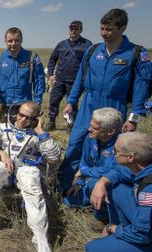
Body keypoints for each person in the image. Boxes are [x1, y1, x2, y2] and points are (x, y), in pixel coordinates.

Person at [58, 9, 150, 194]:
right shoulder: (92, 51)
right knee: (76, 143)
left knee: (112, 150)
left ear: (122, 28)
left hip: (115, 107)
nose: (104, 33)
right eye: (102, 28)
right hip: (88, 105)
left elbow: (142, 87)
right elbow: (80, 79)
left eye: (109, 29)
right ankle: (64, 184)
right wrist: (71, 101)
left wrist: (133, 118)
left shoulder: (136, 53)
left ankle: (104, 188)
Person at [0, 102, 61, 252]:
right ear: (16, 112)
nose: (22, 119)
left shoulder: (37, 134)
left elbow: (54, 157)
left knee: (31, 181)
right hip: (4, 167)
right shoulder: (1, 128)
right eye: (21, 114)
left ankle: (40, 237)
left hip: (26, 170)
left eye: (28, 118)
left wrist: (40, 131)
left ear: (36, 119)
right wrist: (0, 152)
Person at [85, 132, 152, 252]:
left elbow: (142, 234)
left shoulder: (149, 190)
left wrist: (113, 229)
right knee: (114, 187)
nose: (113, 155)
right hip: (144, 228)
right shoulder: (144, 167)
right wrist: (102, 182)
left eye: (116, 152)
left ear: (131, 157)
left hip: (145, 236)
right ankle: (125, 241)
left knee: (94, 250)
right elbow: (120, 172)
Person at [63, 108, 121, 222]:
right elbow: (85, 161)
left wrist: (85, 172)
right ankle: (92, 200)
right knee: (68, 201)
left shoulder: (120, 146)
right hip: (90, 180)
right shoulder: (91, 138)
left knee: (94, 184)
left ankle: (103, 217)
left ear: (110, 132)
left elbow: (109, 171)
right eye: (91, 125)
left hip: (111, 186)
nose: (89, 129)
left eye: (95, 128)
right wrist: (79, 183)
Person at [0, 27, 45, 124]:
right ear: (5, 41)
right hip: (3, 105)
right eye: (10, 41)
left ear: (22, 40)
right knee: (1, 134)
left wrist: (37, 101)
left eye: (16, 40)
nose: (13, 43)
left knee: (24, 136)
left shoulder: (31, 57)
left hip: (24, 106)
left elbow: (39, 80)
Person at [45, 20, 92, 131]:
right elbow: (52, 59)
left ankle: (71, 125)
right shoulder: (61, 44)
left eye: (76, 28)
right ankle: (51, 122)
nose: (73, 31)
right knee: (53, 101)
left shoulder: (87, 44)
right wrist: (51, 74)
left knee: (72, 103)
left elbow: (90, 63)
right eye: (71, 28)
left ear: (81, 30)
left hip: (75, 81)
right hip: (60, 79)